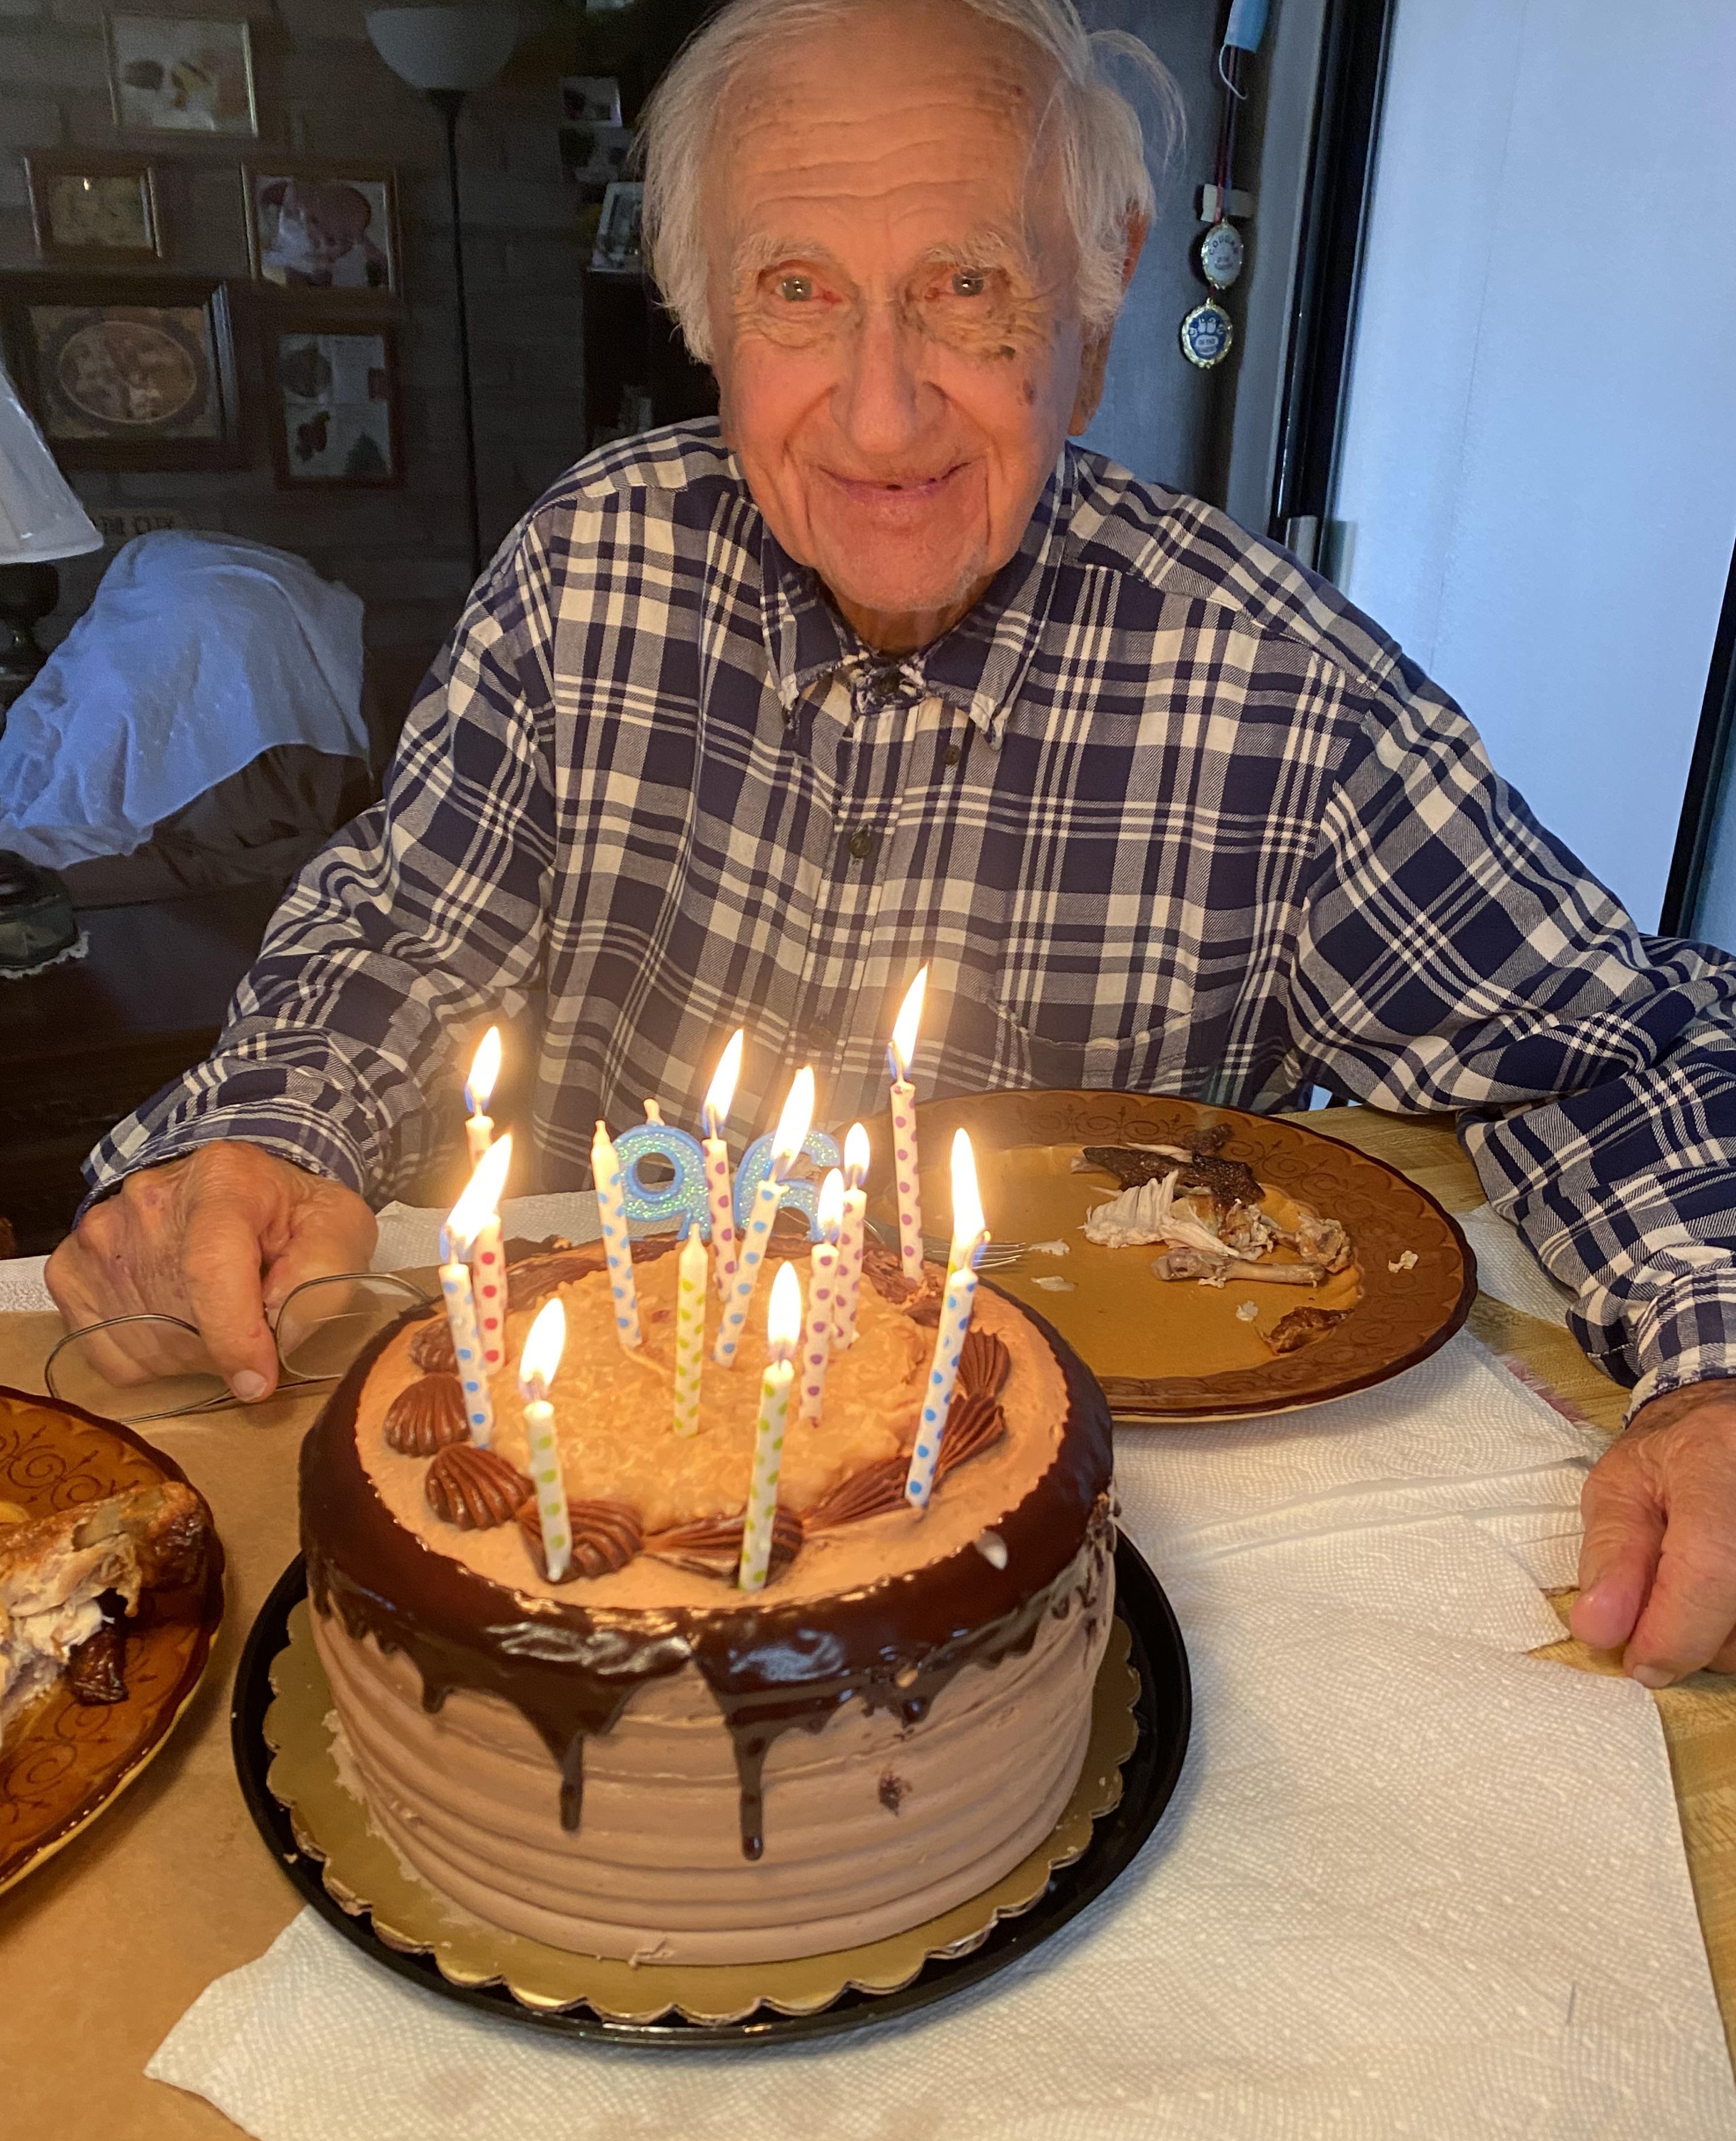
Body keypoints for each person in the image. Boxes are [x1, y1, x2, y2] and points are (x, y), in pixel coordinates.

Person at [46, 0, 1736, 1687]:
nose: (878, 415)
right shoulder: (590, 570)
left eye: (967, 285)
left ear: (1097, 285)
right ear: (704, 306)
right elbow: (401, 931)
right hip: (563, 1558)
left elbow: (1615, 1050)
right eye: (799, 290)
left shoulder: (1284, 692)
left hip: (1023, 1612)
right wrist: (271, 1134)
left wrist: (1721, 1368)